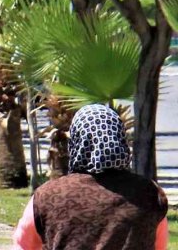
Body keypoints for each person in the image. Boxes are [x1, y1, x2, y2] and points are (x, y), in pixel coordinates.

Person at [12, 103, 168, 250]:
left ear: (76, 141)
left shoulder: (48, 195)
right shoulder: (151, 194)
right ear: (120, 139)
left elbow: (23, 244)